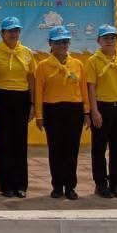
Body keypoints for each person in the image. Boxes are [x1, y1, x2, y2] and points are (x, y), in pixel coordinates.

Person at [33, 25, 86, 199]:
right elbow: (39, 92)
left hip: (74, 110)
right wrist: (39, 115)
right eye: (58, 42)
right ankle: (57, 186)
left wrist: (86, 112)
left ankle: (70, 186)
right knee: (55, 149)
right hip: (52, 110)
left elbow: (83, 89)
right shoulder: (43, 66)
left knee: (72, 149)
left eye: (65, 42)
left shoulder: (77, 64)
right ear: (50, 44)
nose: (62, 45)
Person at [85, 25, 117, 198]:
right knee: (99, 148)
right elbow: (91, 87)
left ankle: (115, 182)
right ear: (98, 41)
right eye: (106, 38)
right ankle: (100, 184)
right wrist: (94, 111)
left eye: (113, 38)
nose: (109, 41)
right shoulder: (93, 61)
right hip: (102, 107)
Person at [0, 16, 35, 199]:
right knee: (3, 143)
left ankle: (21, 185)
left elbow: (31, 79)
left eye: (16, 30)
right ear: (2, 33)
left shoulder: (26, 52)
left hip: (22, 98)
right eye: (9, 31)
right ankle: (6, 185)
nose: (13, 34)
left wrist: (33, 104)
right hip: (1, 97)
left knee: (20, 142)